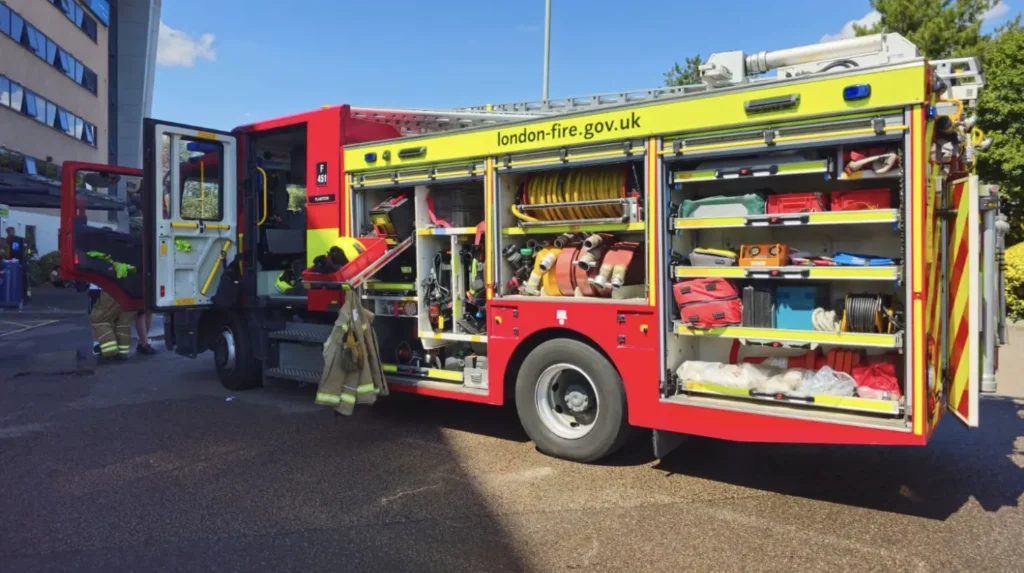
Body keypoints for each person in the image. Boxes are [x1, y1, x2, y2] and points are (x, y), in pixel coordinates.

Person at [4, 226, 28, 299]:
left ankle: (21, 294)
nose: (14, 233)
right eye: (12, 232)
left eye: (14, 232)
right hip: (9, 263)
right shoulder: (7, 241)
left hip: (16, 262)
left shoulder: (17, 240)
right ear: (8, 233)